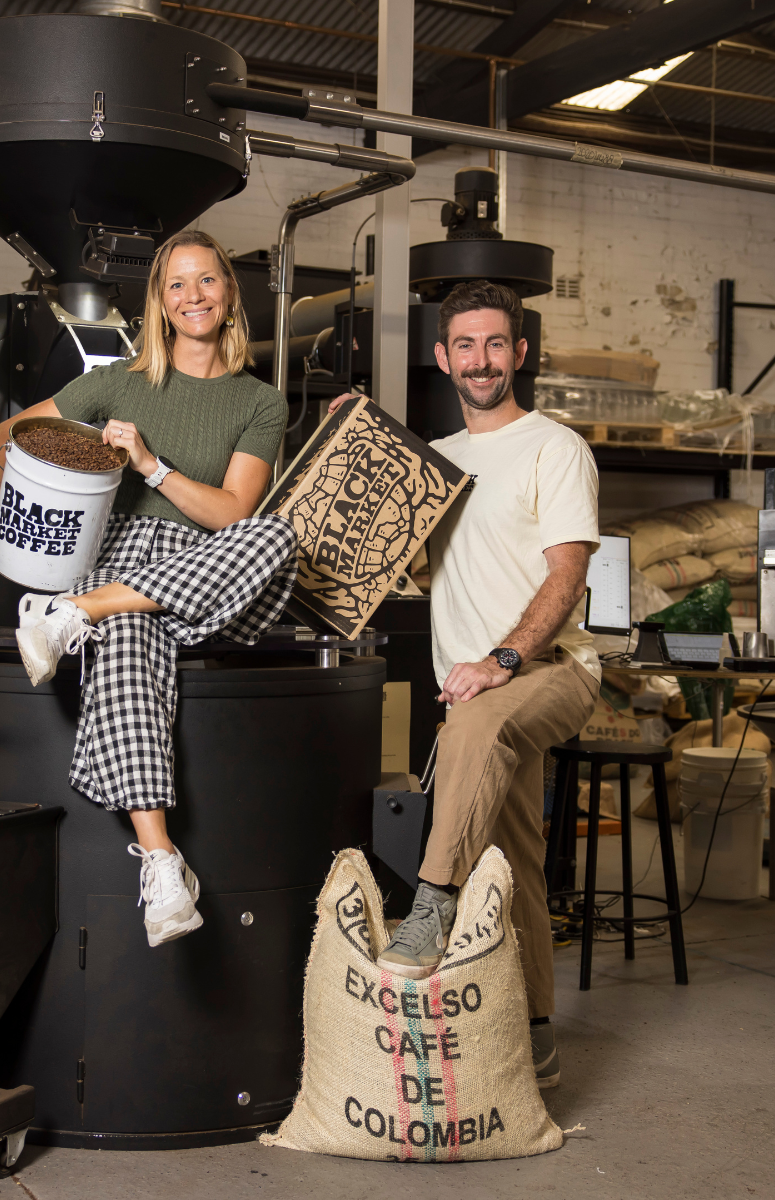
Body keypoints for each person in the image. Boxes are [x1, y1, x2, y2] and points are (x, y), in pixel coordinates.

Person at [0, 230, 297, 948]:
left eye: (206, 281)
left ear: (228, 292)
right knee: (128, 631)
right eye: (176, 285)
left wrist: (149, 465)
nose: (193, 297)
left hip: (210, 578)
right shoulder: (118, 382)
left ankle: (73, 614)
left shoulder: (259, 401)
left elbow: (232, 514)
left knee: (277, 535)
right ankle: (161, 862)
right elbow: (4, 436)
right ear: (158, 301)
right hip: (123, 566)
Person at [330, 279, 599, 1090]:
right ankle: (534, 1030)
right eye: (465, 346)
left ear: (519, 353)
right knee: (511, 848)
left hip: (550, 670)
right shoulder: (436, 463)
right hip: (479, 690)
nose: (481, 361)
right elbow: (384, 560)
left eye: (496, 345)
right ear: (443, 357)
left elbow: (567, 576)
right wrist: (352, 445)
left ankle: (433, 900)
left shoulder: (556, 448)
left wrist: (502, 660)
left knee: (470, 731)